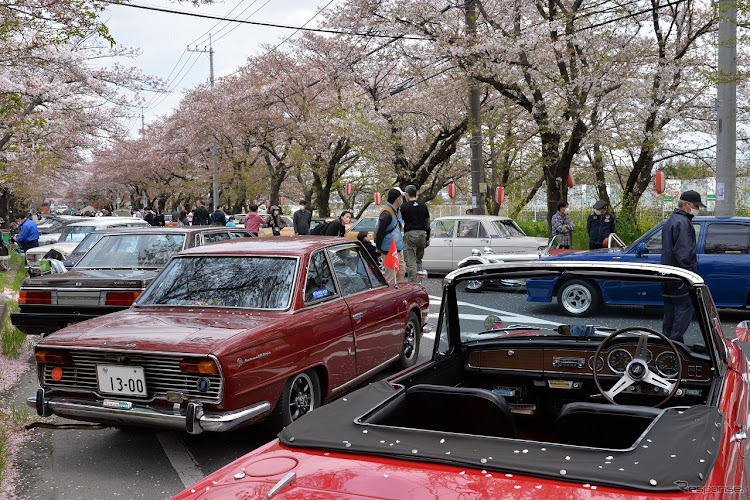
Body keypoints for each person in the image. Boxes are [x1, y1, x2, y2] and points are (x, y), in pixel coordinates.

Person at [661, 190, 704, 343]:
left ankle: (666, 343)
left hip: (667, 275)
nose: (697, 209)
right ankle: (675, 345)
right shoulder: (683, 223)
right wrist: (691, 277)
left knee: (670, 312)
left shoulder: (670, 221)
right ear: (685, 205)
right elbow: (684, 253)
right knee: (684, 310)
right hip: (680, 277)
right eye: (695, 206)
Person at [374, 188, 406, 283]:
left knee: (401, 271)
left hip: (398, 247)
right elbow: (380, 232)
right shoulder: (387, 213)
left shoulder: (397, 210)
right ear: (397, 199)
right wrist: (379, 247)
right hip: (389, 249)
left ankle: (398, 294)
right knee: (390, 276)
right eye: (401, 197)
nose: (402, 200)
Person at [400, 184, 430, 283]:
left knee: (411, 260)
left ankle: (413, 283)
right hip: (423, 234)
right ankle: (420, 282)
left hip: (410, 233)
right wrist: (428, 237)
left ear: (407, 195)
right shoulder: (423, 205)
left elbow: (400, 222)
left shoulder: (404, 207)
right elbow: (427, 223)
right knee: (419, 260)